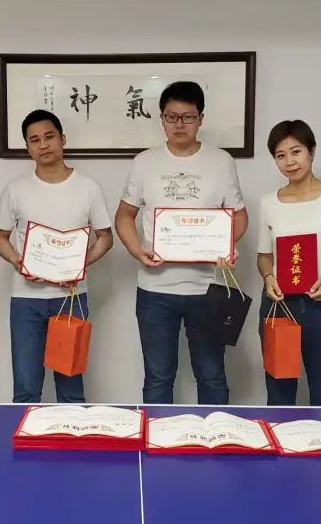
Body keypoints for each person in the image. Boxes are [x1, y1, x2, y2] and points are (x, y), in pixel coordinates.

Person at [115, 81, 247, 405]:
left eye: (187, 117)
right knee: (158, 377)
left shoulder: (221, 161)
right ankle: (157, 435)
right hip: (155, 290)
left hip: (208, 289)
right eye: (171, 117)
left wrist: (228, 244)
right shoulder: (144, 162)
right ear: (161, 119)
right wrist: (136, 249)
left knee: (212, 374)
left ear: (201, 118)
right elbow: (124, 216)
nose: (179, 124)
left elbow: (240, 217)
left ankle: (215, 434)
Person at [0, 110, 112, 403]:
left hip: (71, 298)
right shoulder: (16, 189)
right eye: (34, 140)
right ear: (27, 147)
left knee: (70, 387)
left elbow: (105, 237)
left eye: (49, 137)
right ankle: (25, 433)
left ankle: (71, 434)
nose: (43, 145)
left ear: (62, 139)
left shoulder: (88, 187)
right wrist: (17, 261)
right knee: (26, 388)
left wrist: (82, 263)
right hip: (26, 299)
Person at [256, 119, 321, 407]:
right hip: (280, 306)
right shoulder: (268, 203)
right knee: (279, 392)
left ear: (311, 151)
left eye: (296, 152)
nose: (289, 161)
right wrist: (268, 277)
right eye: (280, 155)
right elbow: (264, 256)